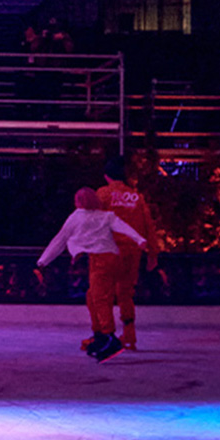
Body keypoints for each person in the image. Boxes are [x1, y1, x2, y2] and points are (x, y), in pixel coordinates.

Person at [37, 187, 146, 362]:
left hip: (98, 260)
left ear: (79, 201)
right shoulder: (106, 216)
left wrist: (43, 261)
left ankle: (109, 337)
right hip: (112, 258)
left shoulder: (76, 217)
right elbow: (123, 227)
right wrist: (139, 239)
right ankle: (100, 335)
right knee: (93, 297)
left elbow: (59, 240)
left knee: (99, 299)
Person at [97, 155, 160, 350]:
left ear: (106, 176)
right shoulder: (136, 197)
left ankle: (107, 335)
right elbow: (149, 226)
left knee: (103, 293)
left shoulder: (102, 195)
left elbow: (95, 223)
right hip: (132, 251)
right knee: (126, 293)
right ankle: (130, 335)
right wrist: (153, 253)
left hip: (109, 251)